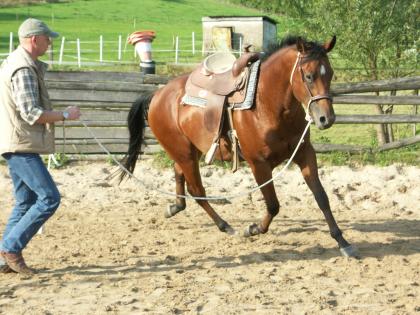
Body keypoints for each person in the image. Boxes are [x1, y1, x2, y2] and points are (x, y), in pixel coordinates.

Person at [0, 18, 81, 275]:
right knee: (49, 198)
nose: (50, 42)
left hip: (17, 141)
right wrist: (65, 115)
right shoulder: (23, 68)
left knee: (25, 201)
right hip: (20, 144)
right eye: (47, 38)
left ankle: (3, 258)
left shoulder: (17, 63)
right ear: (34, 39)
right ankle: (11, 248)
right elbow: (31, 113)